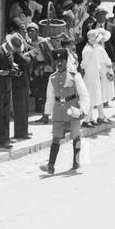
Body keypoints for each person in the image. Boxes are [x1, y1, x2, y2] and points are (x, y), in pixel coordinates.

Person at [41, 35, 88, 174]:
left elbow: (84, 94)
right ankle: (50, 165)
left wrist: (83, 110)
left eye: (61, 61)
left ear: (66, 61)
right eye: (57, 62)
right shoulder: (52, 78)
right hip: (58, 111)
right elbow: (50, 97)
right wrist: (46, 113)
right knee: (55, 137)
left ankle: (76, 160)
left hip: (73, 109)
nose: (59, 64)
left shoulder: (75, 76)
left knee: (75, 135)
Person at [82, 26, 115, 124]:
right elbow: (85, 64)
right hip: (92, 76)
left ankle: (92, 118)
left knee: (95, 97)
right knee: (92, 97)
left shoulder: (94, 48)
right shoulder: (90, 49)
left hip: (96, 75)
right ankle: (88, 119)